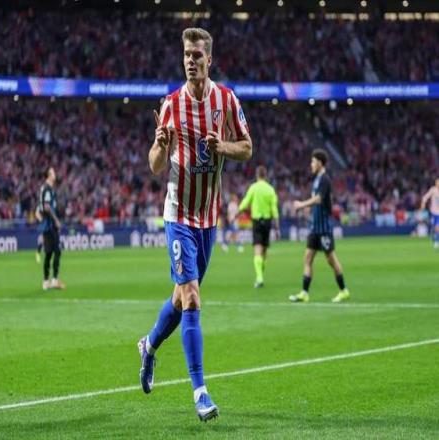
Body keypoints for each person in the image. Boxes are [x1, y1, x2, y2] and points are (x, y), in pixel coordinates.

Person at [138, 27, 252, 422]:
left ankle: (149, 345)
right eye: (186, 54)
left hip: (208, 218)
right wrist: (160, 145)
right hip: (178, 215)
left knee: (179, 297)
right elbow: (155, 166)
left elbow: (247, 148)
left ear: (209, 59)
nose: (190, 61)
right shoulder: (170, 104)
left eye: (197, 55)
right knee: (191, 297)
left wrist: (223, 147)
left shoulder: (227, 100)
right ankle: (200, 391)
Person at [289, 149, 350, 303]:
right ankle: (304, 293)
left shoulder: (325, 179)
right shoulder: (317, 180)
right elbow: (315, 201)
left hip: (323, 229)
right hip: (314, 228)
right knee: (307, 258)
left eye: (313, 161)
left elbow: (318, 199)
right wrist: (308, 210)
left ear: (320, 163)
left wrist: (302, 205)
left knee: (331, 260)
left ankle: (344, 290)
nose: (311, 164)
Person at [235, 166, 279, 288]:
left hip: (257, 222)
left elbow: (245, 202)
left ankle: (259, 278)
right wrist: (277, 227)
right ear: (266, 175)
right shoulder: (270, 189)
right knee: (264, 251)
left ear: (257, 175)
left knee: (257, 249)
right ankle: (260, 276)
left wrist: (237, 213)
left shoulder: (253, 187)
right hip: (268, 222)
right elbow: (274, 209)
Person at [38, 167, 65, 291]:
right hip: (50, 225)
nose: (55, 174)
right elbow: (47, 207)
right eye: (53, 172)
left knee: (49, 253)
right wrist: (56, 220)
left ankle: (45, 282)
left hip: (46, 225)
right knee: (57, 251)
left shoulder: (44, 188)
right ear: (49, 175)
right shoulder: (47, 189)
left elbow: (42, 208)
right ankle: (54, 280)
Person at [420, 178, 439, 249]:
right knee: (434, 227)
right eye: (437, 182)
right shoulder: (433, 190)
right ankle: (434, 236)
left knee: (437, 227)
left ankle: (436, 242)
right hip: (434, 212)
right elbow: (425, 197)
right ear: (435, 183)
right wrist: (423, 203)